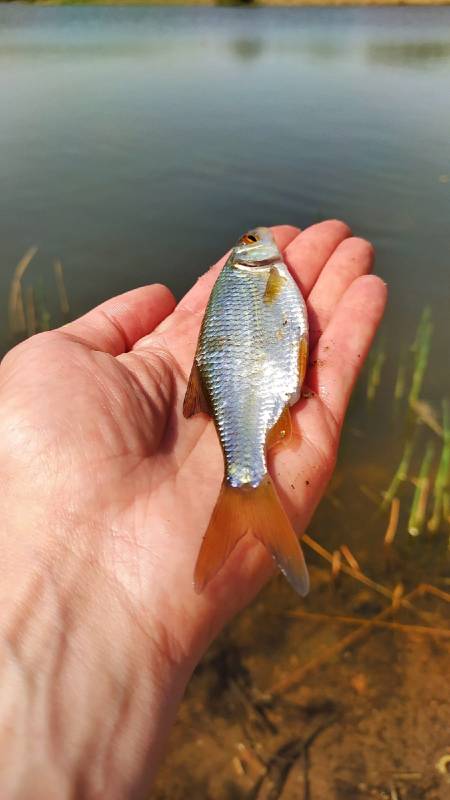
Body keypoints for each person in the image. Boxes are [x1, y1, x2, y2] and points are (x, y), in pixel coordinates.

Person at [0, 221, 386, 797]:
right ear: (254, 259)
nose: (258, 242)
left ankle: (245, 491)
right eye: (252, 242)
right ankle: (247, 492)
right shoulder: (259, 278)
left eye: (250, 241)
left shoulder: (255, 278)